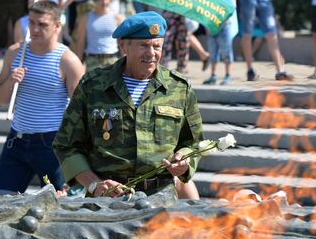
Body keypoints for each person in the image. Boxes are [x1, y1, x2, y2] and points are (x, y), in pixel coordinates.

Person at [53, 11, 204, 198]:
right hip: (107, 201)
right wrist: (94, 184)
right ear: (123, 45)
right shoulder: (93, 86)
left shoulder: (179, 88)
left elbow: (194, 143)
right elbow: (66, 145)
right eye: (144, 46)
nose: (151, 53)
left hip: (160, 199)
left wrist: (184, 162)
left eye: (157, 46)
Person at [0, 0, 84, 195]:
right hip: (16, 140)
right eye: (31, 23)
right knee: (1, 201)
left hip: (50, 144)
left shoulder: (68, 61)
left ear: (57, 26)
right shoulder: (15, 53)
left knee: (59, 205)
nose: (34, 29)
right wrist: (11, 80)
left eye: (42, 24)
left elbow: (79, 111)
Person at [75, 0, 124, 72]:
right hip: (93, 60)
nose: (104, 2)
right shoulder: (85, 18)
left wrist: (125, 61)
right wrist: (78, 64)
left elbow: (122, 42)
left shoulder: (117, 18)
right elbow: (80, 42)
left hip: (112, 59)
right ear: (94, 1)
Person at [203, 0, 238, 85]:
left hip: (224, 26)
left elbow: (231, 9)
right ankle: (213, 75)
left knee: (226, 52)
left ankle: (228, 75)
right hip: (211, 25)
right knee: (213, 52)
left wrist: (223, 22)